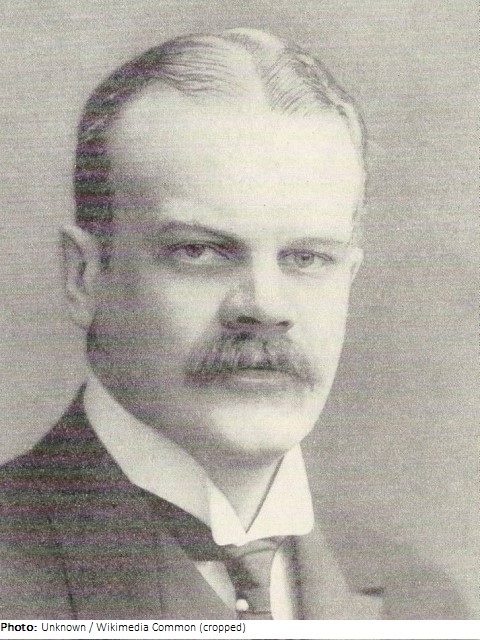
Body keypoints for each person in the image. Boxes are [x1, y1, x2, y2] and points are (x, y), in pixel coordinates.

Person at [0, 28, 467, 620]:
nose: (265, 306)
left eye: (307, 257)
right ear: (85, 277)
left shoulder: (424, 605)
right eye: (199, 251)